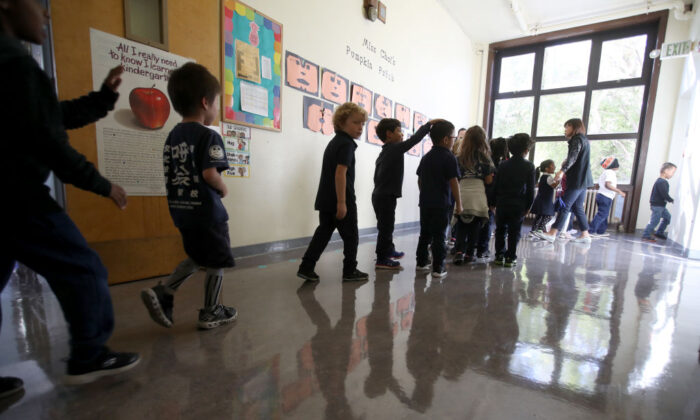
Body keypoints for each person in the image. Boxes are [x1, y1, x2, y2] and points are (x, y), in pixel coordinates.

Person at [0, 0, 139, 389]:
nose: (46, 14)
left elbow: (47, 116)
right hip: (17, 197)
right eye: (38, 4)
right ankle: (89, 355)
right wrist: (103, 184)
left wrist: (102, 99)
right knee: (83, 267)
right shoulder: (14, 62)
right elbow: (51, 142)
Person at [140, 63, 237, 330]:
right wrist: (223, 188)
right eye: (217, 103)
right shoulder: (209, 136)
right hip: (208, 214)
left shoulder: (172, 136)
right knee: (216, 259)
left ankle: (165, 291)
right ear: (206, 102)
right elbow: (209, 174)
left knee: (198, 256)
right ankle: (211, 310)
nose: (216, 109)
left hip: (183, 211)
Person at [297, 102, 369, 282]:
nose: (360, 127)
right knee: (351, 236)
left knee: (323, 233)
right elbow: (340, 173)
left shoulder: (335, 142)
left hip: (326, 198)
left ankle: (306, 267)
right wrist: (342, 202)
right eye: (355, 122)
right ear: (342, 122)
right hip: (340, 199)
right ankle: (350, 270)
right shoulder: (347, 144)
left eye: (362, 124)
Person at [372, 117, 438, 269]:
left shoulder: (385, 152)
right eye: (399, 131)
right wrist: (428, 126)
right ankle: (382, 259)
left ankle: (389, 249)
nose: (402, 135)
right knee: (386, 228)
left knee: (386, 226)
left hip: (380, 195)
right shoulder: (394, 148)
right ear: (389, 134)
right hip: (385, 196)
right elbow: (413, 140)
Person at [415, 120, 462, 278]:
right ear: (446, 139)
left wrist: (425, 193)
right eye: (454, 137)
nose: (454, 140)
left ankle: (421, 262)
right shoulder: (449, 157)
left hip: (426, 203)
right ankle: (438, 268)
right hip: (442, 204)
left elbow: (419, 180)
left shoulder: (426, 157)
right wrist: (459, 205)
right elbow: (454, 182)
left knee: (425, 234)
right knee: (440, 236)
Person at [536, 118, 594, 244]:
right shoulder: (584, 140)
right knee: (578, 207)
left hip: (577, 180)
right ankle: (585, 234)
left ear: (574, 127)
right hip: (584, 180)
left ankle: (553, 232)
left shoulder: (577, 139)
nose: (565, 130)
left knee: (565, 205)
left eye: (567, 127)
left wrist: (562, 170)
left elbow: (573, 156)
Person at [452, 126, 494, 265]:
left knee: (461, 224)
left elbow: (455, 178)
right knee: (475, 225)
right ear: (483, 140)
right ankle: (470, 254)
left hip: (462, 191)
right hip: (478, 194)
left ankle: (459, 251)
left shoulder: (459, 158)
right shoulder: (485, 158)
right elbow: (489, 181)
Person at [493, 133, 536, 267]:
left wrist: (493, 202)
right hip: (519, 204)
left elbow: (496, 185)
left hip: (502, 203)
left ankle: (499, 255)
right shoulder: (529, 166)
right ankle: (511, 257)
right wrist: (529, 206)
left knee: (500, 230)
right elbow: (530, 189)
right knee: (514, 231)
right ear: (526, 150)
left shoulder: (502, 165)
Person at [476, 137, 508, 258]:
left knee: (480, 222)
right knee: (488, 222)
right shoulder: (504, 163)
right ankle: (483, 248)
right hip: (494, 196)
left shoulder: (485, 160)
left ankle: (477, 246)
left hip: (482, 193)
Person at [589, 157, 626, 237]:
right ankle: (591, 231)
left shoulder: (605, 172)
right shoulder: (610, 173)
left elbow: (598, 185)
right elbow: (608, 184)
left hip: (601, 195)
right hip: (605, 196)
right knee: (602, 214)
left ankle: (601, 231)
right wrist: (619, 191)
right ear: (614, 165)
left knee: (604, 214)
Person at [641, 162, 677, 243]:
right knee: (654, 221)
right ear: (666, 171)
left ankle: (659, 232)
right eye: (672, 172)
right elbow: (664, 194)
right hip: (657, 206)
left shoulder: (661, 181)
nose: (673, 175)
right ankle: (646, 235)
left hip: (661, 206)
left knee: (668, 218)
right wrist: (672, 200)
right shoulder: (662, 182)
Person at [529, 160, 559, 235]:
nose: (554, 167)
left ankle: (534, 230)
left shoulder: (543, 176)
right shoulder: (548, 177)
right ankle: (540, 230)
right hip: (545, 200)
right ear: (546, 168)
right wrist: (558, 179)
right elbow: (554, 186)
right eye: (553, 165)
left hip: (541, 199)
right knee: (548, 215)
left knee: (540, 216)